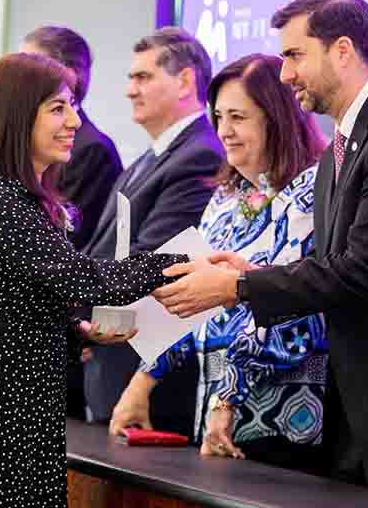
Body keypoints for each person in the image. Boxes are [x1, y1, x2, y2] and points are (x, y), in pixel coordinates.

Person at [153, 0, 368, 495]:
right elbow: (331, 269)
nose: (285, 74)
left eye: (294, 55)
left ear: (343, 51)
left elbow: (362, 270)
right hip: (357, 409)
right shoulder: (340, 151)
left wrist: (237, 286)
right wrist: (253, 275)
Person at [0, 53, 187, 508]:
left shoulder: (14, 197)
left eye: (72, 106)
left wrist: (75, 334)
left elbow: (13, 305)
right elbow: (79, 279)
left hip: (10, 402)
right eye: (58, 108)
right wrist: (178, 265)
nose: (75, 120)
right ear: (18, 117)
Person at [110, 54, 328, 473]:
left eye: (239, 117)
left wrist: (230, 394)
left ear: (277, 119)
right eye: (219, 116)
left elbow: (296, 312)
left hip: (279, 418)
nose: (224, 131)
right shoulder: (224, 198)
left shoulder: (309, 192)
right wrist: (144, 378)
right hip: (213, 412)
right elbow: (191, 302)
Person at [81, 27, 225, 436]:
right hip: (110, 363)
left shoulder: (200, 155)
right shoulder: (147, 159)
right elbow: (100, 251)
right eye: (130, 78)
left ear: (184, 81)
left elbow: (152, 261)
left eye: (143, 77)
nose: (130, 90)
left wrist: (75, 300)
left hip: (148, 378)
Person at [20, 26, 122, 250]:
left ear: (68, 75)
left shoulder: (91, 150)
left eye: (31, 64)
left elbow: (65, 241)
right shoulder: (24, 144)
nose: (19, 75)